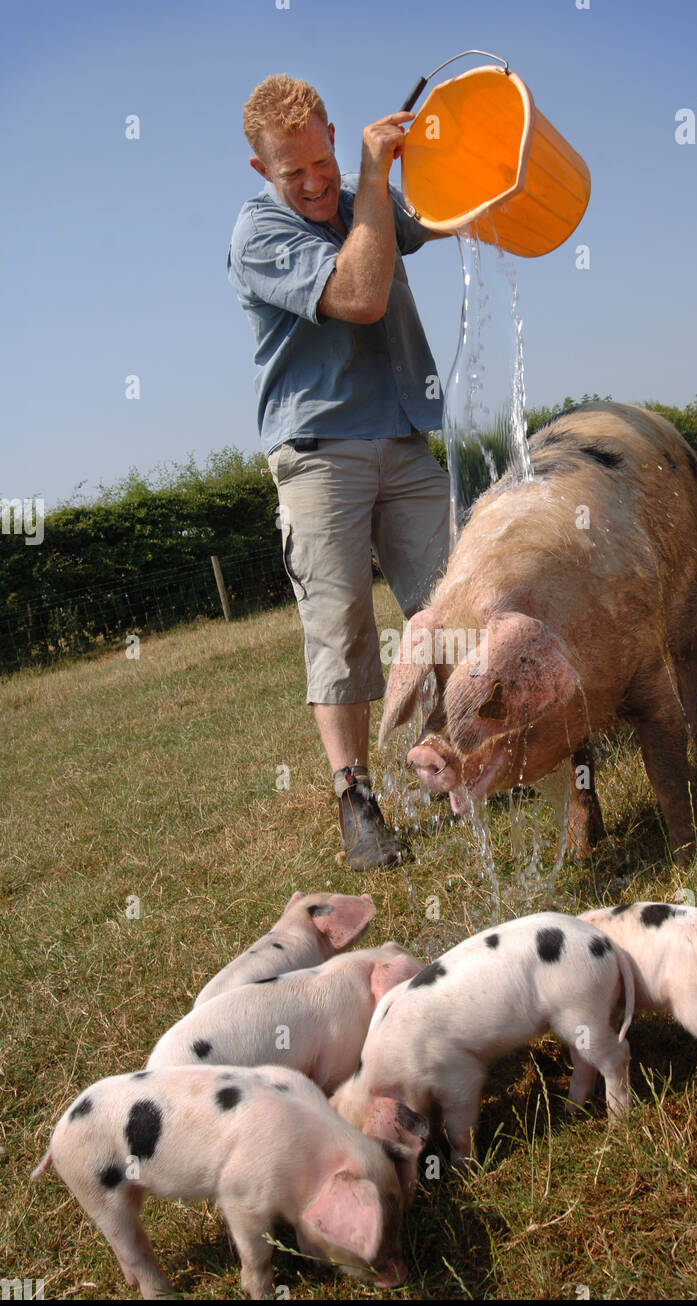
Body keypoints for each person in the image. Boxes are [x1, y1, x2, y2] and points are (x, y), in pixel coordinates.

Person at [228, 74, 450, 869]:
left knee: (450, 606)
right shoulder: (257, 235)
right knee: (341, 625)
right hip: (318, 451)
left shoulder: (366, 191)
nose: (318, 183)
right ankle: (356, 802)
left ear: (329, 131)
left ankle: (443, 763)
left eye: (325, 161)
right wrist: (373, 181)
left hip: (403, 434)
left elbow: (448, 208)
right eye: (296, 174)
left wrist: (465, 153)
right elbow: (358, 293)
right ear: (262, 172)